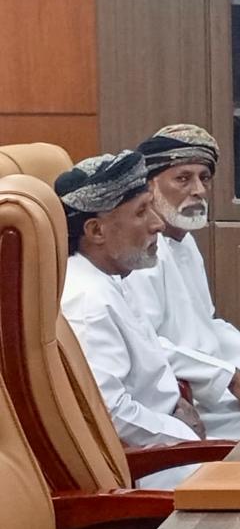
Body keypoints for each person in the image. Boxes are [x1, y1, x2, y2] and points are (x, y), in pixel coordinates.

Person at [124, 124, 240, 439]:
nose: (199, 190)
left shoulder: (183, 240)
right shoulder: (140, 253)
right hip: (184, 404)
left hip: (217, 389)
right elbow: (147, 347)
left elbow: (206, 324)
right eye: (183, 178)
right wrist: (230, 376)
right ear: (150, 186)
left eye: (204, 178)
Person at [56, 150, 207, 488]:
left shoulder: (109, 276)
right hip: (153, 466)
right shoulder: (87, 302)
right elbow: (110, 413)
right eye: (141, 212)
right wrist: (181, 433)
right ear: (96, 230)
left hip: (170, 441)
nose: (157, 223)